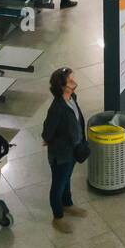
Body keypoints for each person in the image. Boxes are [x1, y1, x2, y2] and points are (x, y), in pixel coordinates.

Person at [41, 66, 88, 233]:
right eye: (70, 81)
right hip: (61, 154)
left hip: (73, 149)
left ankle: (67, 204)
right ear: (61, 86)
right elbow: (47, 131)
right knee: (58, 184)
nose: (74, 82)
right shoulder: (57, 108)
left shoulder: (72, 97)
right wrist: (48, 140)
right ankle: (58, 216)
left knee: (67, 178)